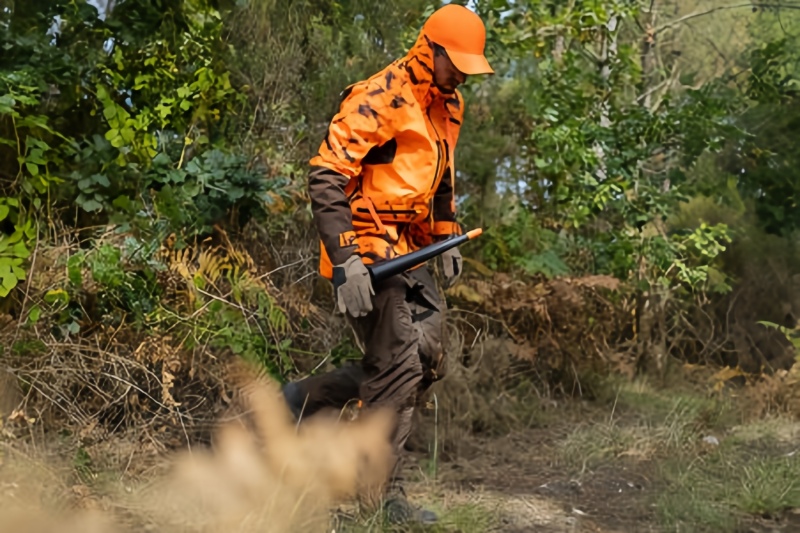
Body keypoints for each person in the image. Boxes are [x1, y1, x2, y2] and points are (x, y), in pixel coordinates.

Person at [282, 4, 493, 525]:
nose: (462, 72)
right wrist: (346, 260)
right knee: (396, 364)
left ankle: (302, 400)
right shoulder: (380, 96)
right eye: (456, 62)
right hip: (367, 246)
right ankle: (379, 502)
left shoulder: (450, 105)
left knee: (424, 361)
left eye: (469, 65)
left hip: (413, 247)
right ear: (431, 50)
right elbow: (326, 175)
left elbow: (441, 179)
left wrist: (447, 240)